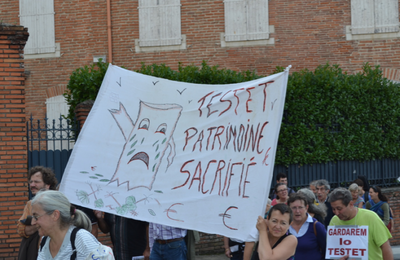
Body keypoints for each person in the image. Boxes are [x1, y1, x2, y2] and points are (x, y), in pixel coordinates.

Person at [32, 190, 112, 260]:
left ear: (55, 215)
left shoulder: (82, 239)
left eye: (36, 217)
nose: (33, 222)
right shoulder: (45, 241)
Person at [328, 187, 393, 260]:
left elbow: (385, 246)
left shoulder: (371, 217)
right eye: (333, 209)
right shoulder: (334, 221)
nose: (336, 213)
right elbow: (334, 250)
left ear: (351, 204)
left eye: (339, 209)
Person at [17, 166, 58, 260]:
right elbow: (21, 229)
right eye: (31, 182)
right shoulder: (30, 205)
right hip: (34, 254)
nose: (32, 185)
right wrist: (40, 223)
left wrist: (37, 221)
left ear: (48, 185)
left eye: (36, 182)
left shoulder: (58, 203)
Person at [288, 193, 326, 260]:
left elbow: (326, 250)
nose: (297, 211)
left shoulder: (316, 226)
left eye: (300, 207)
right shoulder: (284, 226)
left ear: (306, 208)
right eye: (294, 208)